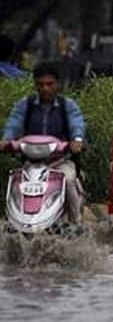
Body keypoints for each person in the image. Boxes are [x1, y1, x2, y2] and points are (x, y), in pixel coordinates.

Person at [1, 63, 86, 223]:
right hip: (30, 163)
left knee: (68, 181)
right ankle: (13, 222)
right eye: (40, 84)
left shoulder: (67, 105)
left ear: (58, 84)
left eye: (49, 84)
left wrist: (77, 141)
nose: (45, 89)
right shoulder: (24, 105)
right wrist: (6, 140)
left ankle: (76, 223)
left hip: (60, 161)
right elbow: (14, 123)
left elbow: (77, 124)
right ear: (35, 85)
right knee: (15, 183)